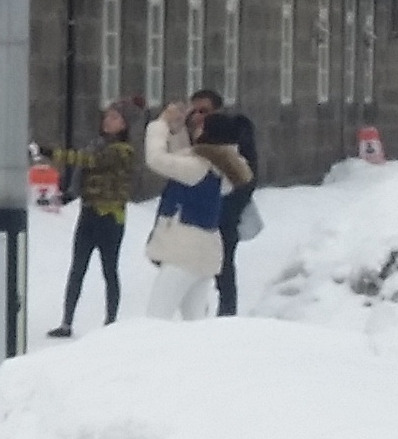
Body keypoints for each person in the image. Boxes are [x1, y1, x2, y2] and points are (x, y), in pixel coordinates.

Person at [137, 100, 251, 320]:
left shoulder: (198, 168)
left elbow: (157, 159)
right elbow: (184, 157)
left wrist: (161, 124)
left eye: (201, 127)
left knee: (156, 317)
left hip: (183, 253)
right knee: (195, 321)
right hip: (204, 252)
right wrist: (177, 129)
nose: (196, 128)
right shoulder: (221, 166)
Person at [48, 101, 138, 337]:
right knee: (77, 269)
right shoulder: (95, 145)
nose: (108, 121)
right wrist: (70, 194)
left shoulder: (123, 151)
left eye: (115, 117)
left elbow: (88, 161)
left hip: (111, 216)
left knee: (110, 270)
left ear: (124, 124)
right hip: (88, 213)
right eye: (107, 116)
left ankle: (111, 322)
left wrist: (51, 153)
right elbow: (83, 169)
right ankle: (66, 322)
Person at [186, 88, 260, 313]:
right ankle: (197, 313)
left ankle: (227, 314)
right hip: (194, 213)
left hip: (224, 212)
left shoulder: (232, 136)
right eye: (194, 111)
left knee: (223, 265)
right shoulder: (187, 135)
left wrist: (229, 211)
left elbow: (246, 179)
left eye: (204, 111)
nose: (198, 116)